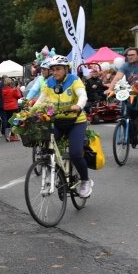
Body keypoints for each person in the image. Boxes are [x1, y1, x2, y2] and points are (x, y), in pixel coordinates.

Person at [37, 56, 92, 196]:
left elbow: (82, 95)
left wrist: (79, 105)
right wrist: (28, 113)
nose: (55, 72)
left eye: (58, 69)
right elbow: (41, 100)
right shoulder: (49, 82)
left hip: (76, 121)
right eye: (53, 70)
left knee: (74, 153)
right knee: (45, 147)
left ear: (65, 69)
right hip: (58, 121)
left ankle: (85, 181)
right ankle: (51, 172)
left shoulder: (74, 80)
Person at [106, 47, 138, 146]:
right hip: (132, 94)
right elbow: (117, 77)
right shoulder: (125, 66)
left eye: (132, 55)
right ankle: (131, 135)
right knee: (126, 112)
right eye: (128, 55)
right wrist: (110, 89)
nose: (130, 57)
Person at [0, 77, 22, 141]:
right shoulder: (13, 90)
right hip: (13, 107)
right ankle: (13, 136)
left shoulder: (3, 90)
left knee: (8, 121)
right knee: (14, 121)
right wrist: (16, 89)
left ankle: (7, 135)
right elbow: (19, 96)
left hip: (6, 107)